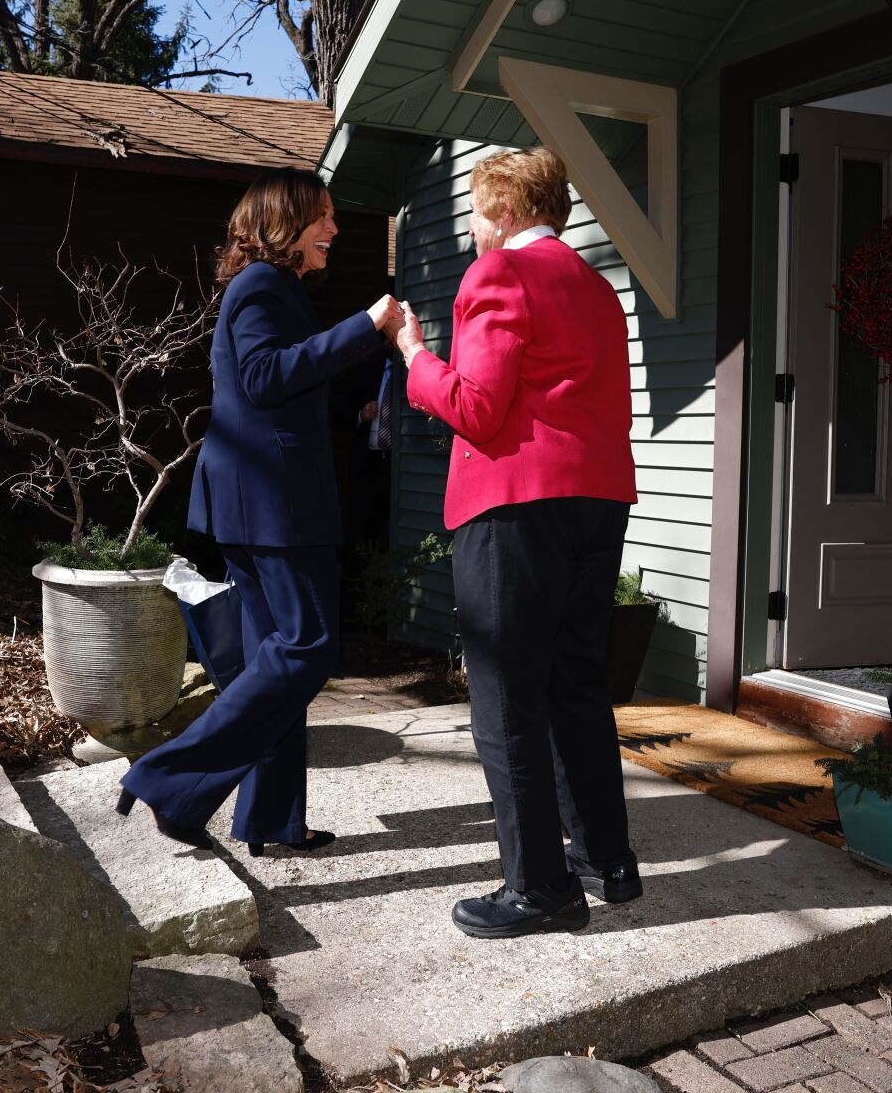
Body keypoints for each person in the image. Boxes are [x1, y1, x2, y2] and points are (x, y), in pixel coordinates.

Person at [387, 146, 641, 939]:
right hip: (596, 502)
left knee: (504, 700)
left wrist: (412, 357)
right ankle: (607, 860)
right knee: (574, 685)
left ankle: (539, 888)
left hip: (515, 505)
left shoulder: (499, 275)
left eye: (473, 211)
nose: (470, 227)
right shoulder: (598, 288)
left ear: (502, 213)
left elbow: (477, 406)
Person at [117, 167, 402, 856]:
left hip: (260, 500)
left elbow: (283, 385)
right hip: (274, 504)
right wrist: (367, 324)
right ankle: (167, 774)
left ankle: (267, 818)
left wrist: (356, 401)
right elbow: (265, 377)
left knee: (270, 663)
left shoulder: (278, 290)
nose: (334, 228)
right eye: (324, 217)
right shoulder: (261, 286)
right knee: (306, 649)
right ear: (286, 222)